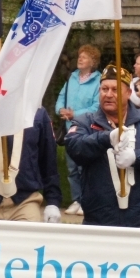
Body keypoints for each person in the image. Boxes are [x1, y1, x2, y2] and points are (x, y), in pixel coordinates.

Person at [64, 64, 140, 228]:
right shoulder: (85, 122)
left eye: (115, 90)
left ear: (128, 93)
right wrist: (105, 138)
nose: (108, 94)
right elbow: (75, 146)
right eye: (104, 89)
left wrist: (137, 156)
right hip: (99, 219)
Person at [0, 108, 62, 222]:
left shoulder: (36, 112)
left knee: (27, 239)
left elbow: (48, 160)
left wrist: (53, 202)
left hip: (25, 202)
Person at [55, 44, 101, 215]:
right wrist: (61, 110)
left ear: (93, 61)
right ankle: (76, 199)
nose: (80, 59)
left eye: (85, 56)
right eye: (80, 56)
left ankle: (87, 201)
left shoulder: (98, 81)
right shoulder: (72, 77)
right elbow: (61, 98)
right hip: (69, 130)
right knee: (72, 168)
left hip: (88, 130)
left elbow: (97, 106)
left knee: (85, 168)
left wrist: (75, 114)